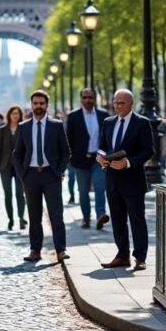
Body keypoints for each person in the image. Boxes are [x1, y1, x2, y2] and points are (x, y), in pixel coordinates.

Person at [97, 89, 154, 271]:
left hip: (133, 180)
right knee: (117, 219)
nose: (117, 106)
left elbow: (148, 151)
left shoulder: (142, 123)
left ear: (131, 103)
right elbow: (102, 147)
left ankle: (140, 257)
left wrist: (128, 163)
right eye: (115, 102)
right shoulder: (108, 122)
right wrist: (100, 157)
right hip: (112, 180)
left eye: (121, 103)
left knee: (137, 219)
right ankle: (122, 255)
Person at [13, 90, 70, 263]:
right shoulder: (23, 127)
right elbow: (17, 154)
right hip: (30, 176)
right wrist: (23, 174)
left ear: (47, 105)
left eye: (41, 103)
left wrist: (58, 171)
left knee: (56, 214)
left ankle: (61, 250)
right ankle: (35, 250)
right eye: (35, 103)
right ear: (31, 105)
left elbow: (66, 152)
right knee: (34, 215)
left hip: (50, 175)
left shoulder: (56, 125)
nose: (38, 106)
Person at [65, 88, 109, 230]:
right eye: (85, 97)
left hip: (98, 159)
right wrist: (70, 158)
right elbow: (68, 139)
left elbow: (108, 138)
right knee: (83, 191)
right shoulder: (73, 116)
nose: (88, 100)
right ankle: (86, 217)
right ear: (81, 99)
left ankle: (101, 214)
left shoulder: (104, 115)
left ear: (95, 98)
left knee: (100, 187)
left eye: (90, 97)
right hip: (80, 160)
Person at [0, 105, 26, 231]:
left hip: (20, 167)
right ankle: (10, 220)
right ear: (9, 115)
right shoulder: (2, 130)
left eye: (17, 113)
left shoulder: (24, 129)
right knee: (8, 195)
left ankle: (21, 218)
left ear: (20, 115)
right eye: (13, 113)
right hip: (5, 166)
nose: (15, 115)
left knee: (20, 194)